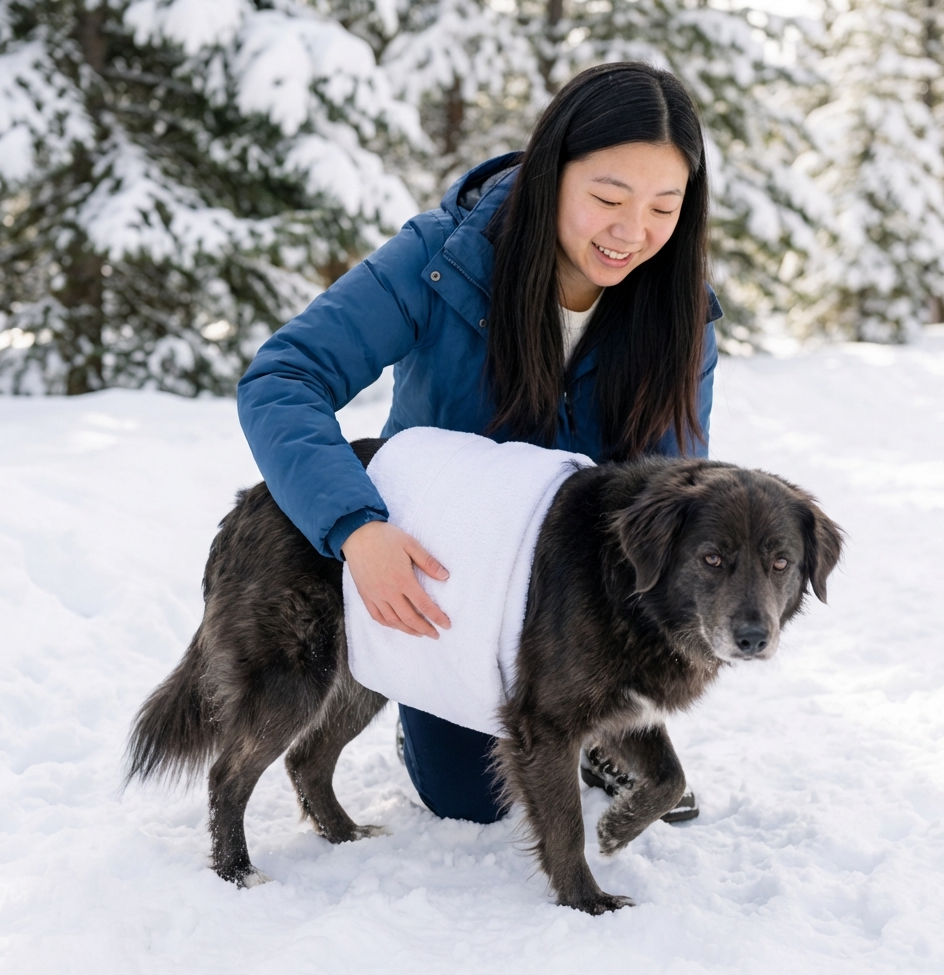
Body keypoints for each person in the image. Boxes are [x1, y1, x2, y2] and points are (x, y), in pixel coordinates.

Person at [237, 61, 722, 825]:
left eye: (664, 207)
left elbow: (673, 492)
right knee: (470, 801)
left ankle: (595, 723)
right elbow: (284, 378)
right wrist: (356, 528)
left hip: (578, 610)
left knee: (622, 768)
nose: (633, 233)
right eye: (606, 198)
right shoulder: (444, 260)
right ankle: (424, 721)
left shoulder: (680, 315)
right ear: (550, 172)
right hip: (447, 583)